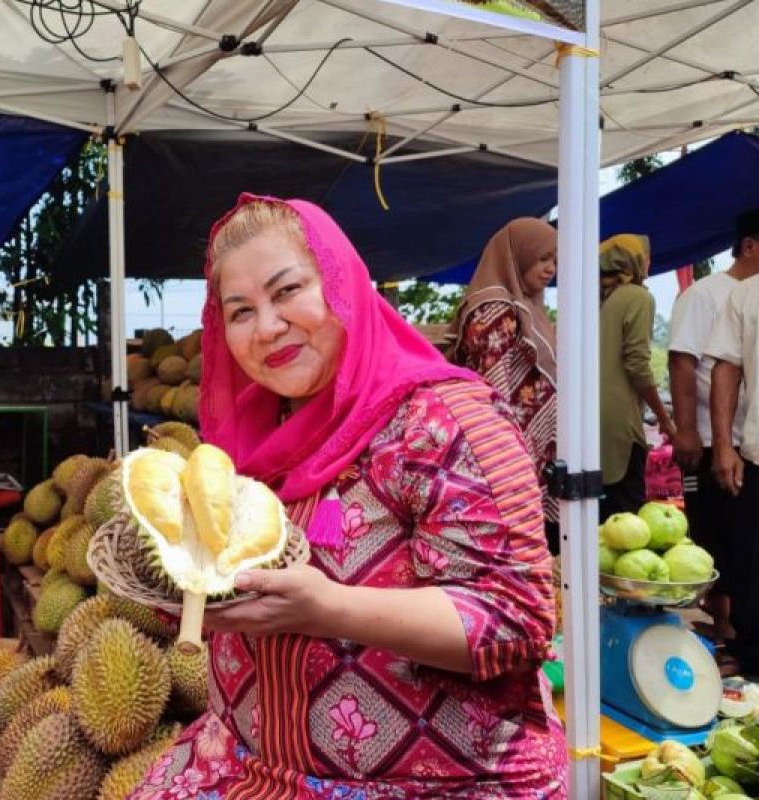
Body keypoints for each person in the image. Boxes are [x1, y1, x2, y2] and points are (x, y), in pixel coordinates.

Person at [133, 195, 565, 799]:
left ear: (341, 283)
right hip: (243, 764)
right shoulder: (247, 433)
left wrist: (326, 608)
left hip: (428, 783)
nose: (267, 327)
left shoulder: (445, 420)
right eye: (240, 311)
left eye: (288, 291)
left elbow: (515, 621)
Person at [668, 211, 759, 653]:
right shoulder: (706, 295)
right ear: (749, 244)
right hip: (709, 438)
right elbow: (683, 362)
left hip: (743, 435)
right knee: (716, 532)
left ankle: (731, 628)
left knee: (737, 534)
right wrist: (688, 430)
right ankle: (726, 628)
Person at [449, 217, 559, 551]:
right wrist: (510, 452)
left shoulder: (528, 306)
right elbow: (493, 384)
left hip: (532, 452)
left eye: (554, 260)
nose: (550, 268)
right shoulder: (493, 307)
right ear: (519, 256)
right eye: (542, 259)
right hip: (507, 450)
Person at [705, 208, 759, 677]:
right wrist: (723, 444)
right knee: (750, 562)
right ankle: (752, 657)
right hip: (756, 452)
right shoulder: (746, 295)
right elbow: (725, 368)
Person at [598, 234, 675, 522]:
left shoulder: (596, 299)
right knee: (626, 518)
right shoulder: (637, 296)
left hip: (587, 422)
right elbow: (638, 366)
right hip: (620, 423)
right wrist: (664, 419)